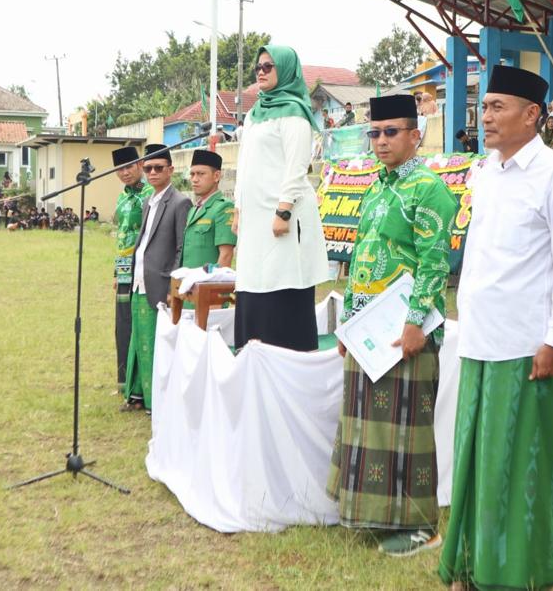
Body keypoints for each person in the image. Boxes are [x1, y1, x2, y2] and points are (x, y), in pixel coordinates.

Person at [439, 64, 553, 589]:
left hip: (526, 347)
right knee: (476, 460)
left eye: (497, 107)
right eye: (484, 107)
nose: (486, 117)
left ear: (533, 115)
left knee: (519, 464)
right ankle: (472, 564)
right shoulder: (485, 171)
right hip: (479, 337)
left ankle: (519, 570)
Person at [327, 94, 457, 557]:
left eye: (391, 132)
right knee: (368, 425)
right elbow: (360, 258)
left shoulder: (428, 189)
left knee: (406, 429)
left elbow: (434, 263)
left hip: (405, 333)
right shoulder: (377, 187)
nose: (380, 141)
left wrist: (416, 322)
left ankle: (422, 527)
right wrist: (346, 327)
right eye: (375, 133)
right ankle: (374, 516)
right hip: (367, 329)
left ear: (415, 135)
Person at [232, 45, 328, 351]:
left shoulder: (295, 112)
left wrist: (284, 211)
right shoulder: (254, 115)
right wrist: (237, 206)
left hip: (282, 215)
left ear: (285, 70)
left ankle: (288, 359)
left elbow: (297, 166)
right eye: (258, 67)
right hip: (254, 216)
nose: (260, 72)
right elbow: (243, 161)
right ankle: (253, 359)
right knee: (252, 282)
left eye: (268, 66)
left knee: (282, 280)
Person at [124, 143, 191, 413]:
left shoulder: (179, 202)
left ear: (170, 170)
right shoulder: (148, 201)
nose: (152, 173)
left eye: (158, 168)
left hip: (160, 284)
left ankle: (156, 402)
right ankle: (137, 394)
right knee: (137, 341)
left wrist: (172, 287)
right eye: (148, 168)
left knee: (154, 344)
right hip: (139, 280)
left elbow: (180, 248)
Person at [111, 145, 153, 395]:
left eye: (128, 167)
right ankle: (123, 381)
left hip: (144, 267)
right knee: (123, 324)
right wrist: (116, 273)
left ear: (140, 165)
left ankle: (140, 382)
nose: (124, 173)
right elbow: (122, 237)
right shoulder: (123, 197)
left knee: (140, 323)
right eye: (119, 169)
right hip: (124, 267)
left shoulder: (149, 194)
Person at [182, 149, 236, 270]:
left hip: (208, 286)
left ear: (216, 176)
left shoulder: (223, 207)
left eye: (201, 174)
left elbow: (226, 255)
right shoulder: (194, 209)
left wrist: (214, 287)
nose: (195, 179)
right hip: (189, 283)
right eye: (192, 174)